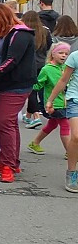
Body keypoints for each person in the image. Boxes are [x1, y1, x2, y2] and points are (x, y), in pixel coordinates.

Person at [0, 3, 35, 183]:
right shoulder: (11, 34)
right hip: (6, 84)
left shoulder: (20, 34)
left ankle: (8, 165)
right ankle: (11, 161)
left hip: (14, 85)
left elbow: (12, 60)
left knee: (5, 123)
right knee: (9, 124)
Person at [45, 41, 78, 191]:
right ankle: (72, 172)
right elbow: (63, 80)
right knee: (76, 136)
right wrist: (50, 100)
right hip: (75, 99)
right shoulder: (74, 57)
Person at [29, 42, 71, 157]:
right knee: (65, 125)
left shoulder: (65, 68)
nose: (64, 56)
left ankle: (35, 142)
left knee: (52, 124)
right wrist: (28, 87)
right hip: (54, 103)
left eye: (66, 54)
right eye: (61, 53)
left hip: (65, 102)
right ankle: (70, 152)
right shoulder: (47, 69)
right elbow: (38, 84)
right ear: (53, 54)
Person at [20, 10, 53, 129]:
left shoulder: (24, 31)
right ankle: (28, 115)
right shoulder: (45, 31)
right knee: (37, 88)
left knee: (31, 90)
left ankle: (36, 116)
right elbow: (49, 45)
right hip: (41, 63)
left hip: (27, 64)